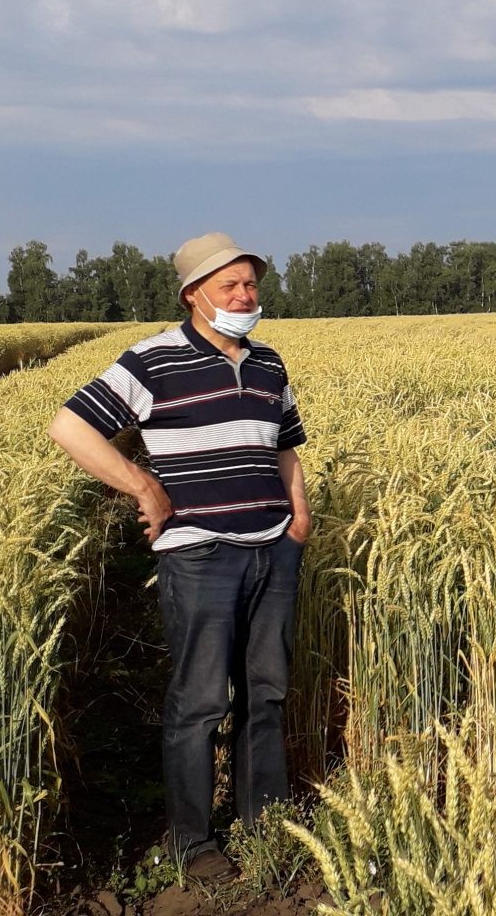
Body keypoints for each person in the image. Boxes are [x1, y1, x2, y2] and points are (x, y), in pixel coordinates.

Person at [47, 232, 310, 886]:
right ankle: (194, 844)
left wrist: (299, 518)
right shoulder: (152, 361)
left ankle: (264, 822)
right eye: (230, 286)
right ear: (194, 295)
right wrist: (142, 485)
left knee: (266, 694)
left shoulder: (269, 363)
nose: (245, 296)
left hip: (272, 550)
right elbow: (69, 426)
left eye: (250, 284)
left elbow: (285, 445)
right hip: (199, 556)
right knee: (199, 702)